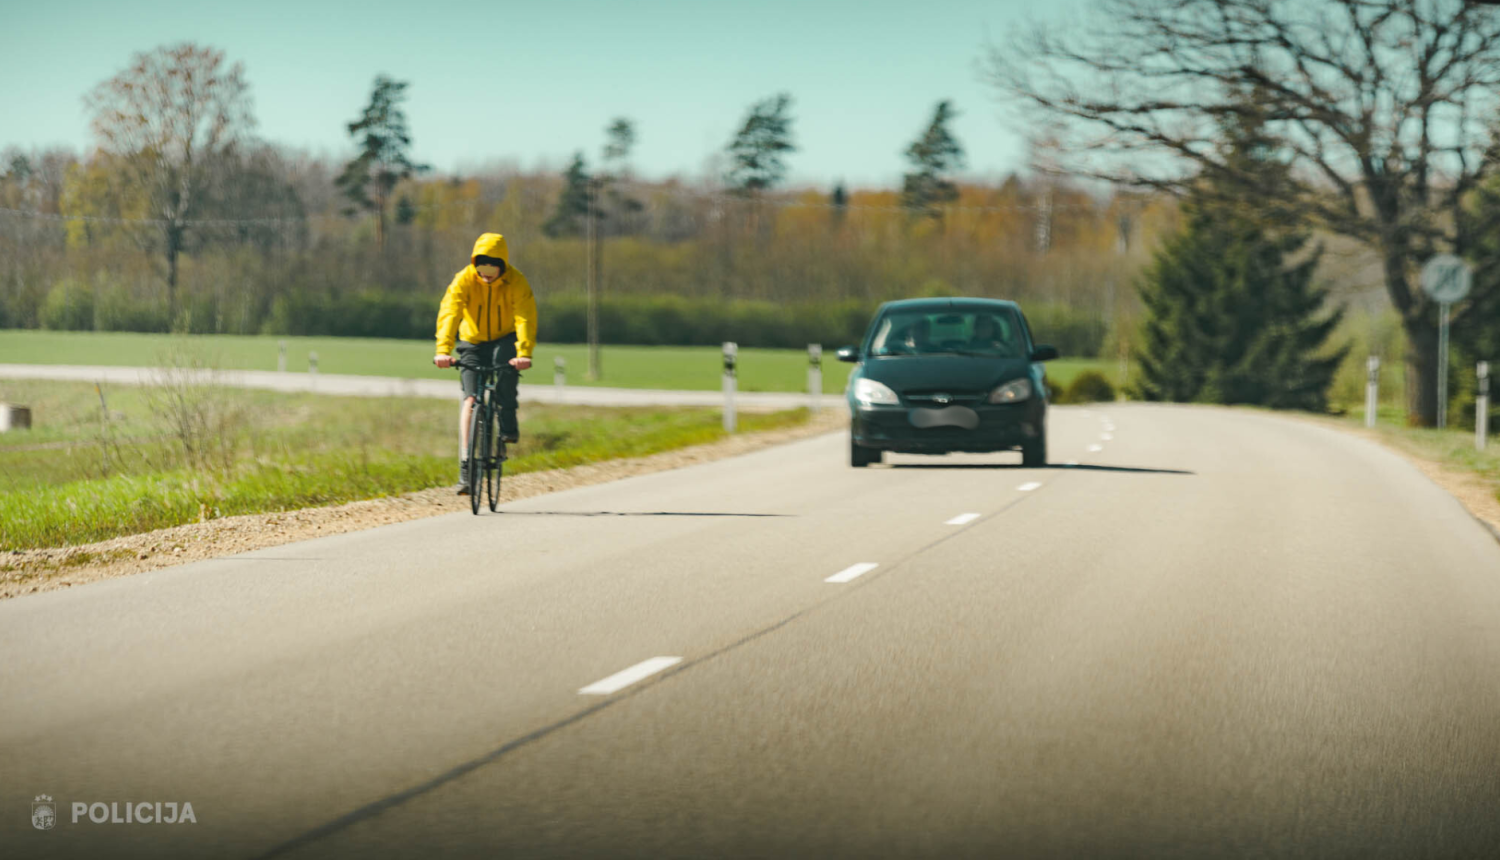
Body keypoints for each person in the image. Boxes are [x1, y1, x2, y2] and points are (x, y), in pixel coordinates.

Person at [434, 233, 537, 494]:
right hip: (472, 341)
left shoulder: (516, 281)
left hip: (505, 338)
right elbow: (450, 312)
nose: (487, 272)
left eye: (493, 266)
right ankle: (466, 467)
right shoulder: (464, 279)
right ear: (475, 263)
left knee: (506, 371)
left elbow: (524, 316)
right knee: (470, 400)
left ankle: (508, 420)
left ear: (503, 265)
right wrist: (443, 350)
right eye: (482, 266)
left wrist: (524, 353)